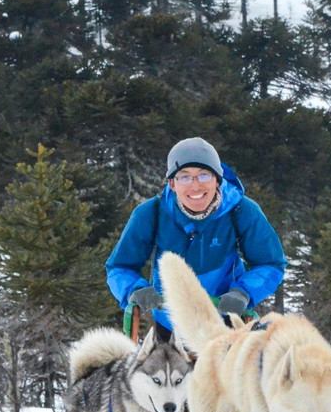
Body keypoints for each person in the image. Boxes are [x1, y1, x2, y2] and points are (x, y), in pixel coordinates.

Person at [106, 137, 287, 338]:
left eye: (204, 175)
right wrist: (134, 289)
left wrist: (243, 293)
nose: (195, 187)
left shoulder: (241, 211)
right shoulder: (151, 213)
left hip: (225, 321)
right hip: (170, 324)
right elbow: (120, 267)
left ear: (217, 179)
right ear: (172, 184)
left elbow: (271, 263)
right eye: (184, 177)